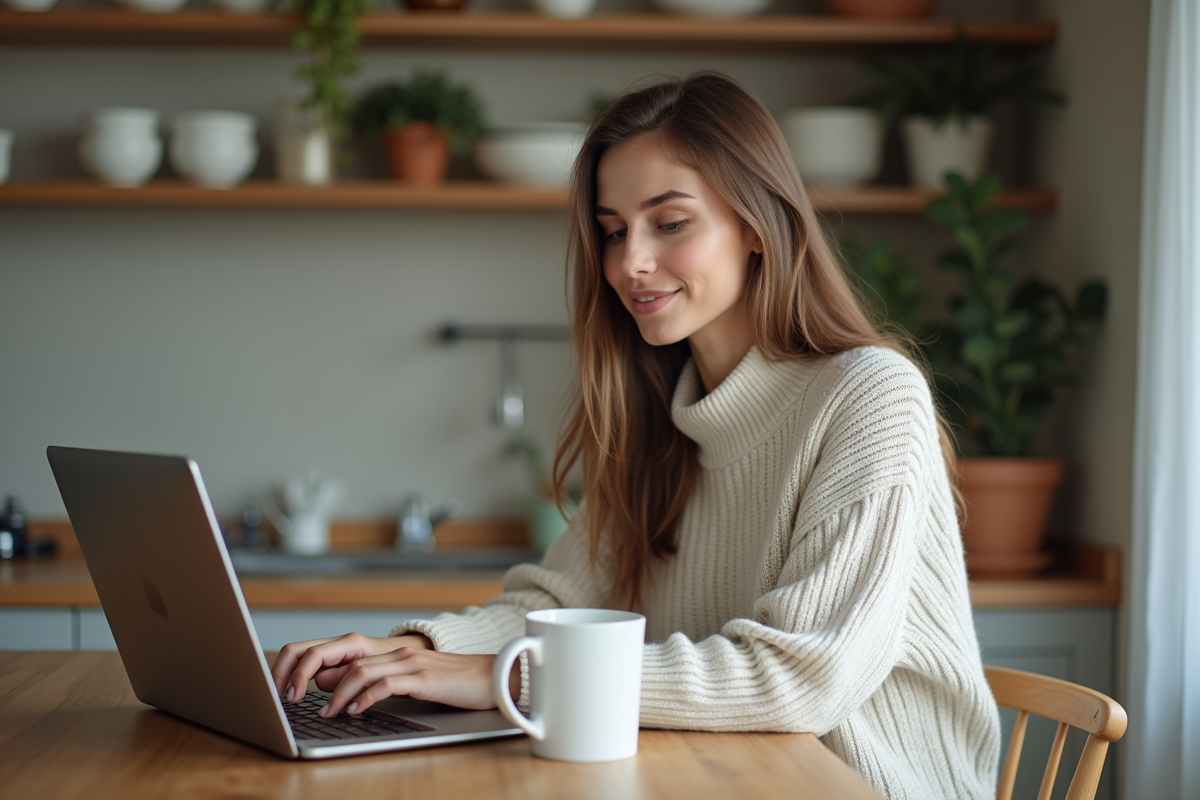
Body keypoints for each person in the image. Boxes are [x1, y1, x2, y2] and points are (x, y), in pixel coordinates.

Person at [271, 72, 1001, 799]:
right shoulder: (662, 415)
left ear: (756, 224)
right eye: (614, 230)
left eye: (669, 222)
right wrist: (414, 651)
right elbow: (552, 605)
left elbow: (801, 677)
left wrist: (512, 674)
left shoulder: (868, 395)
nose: (629, 263)